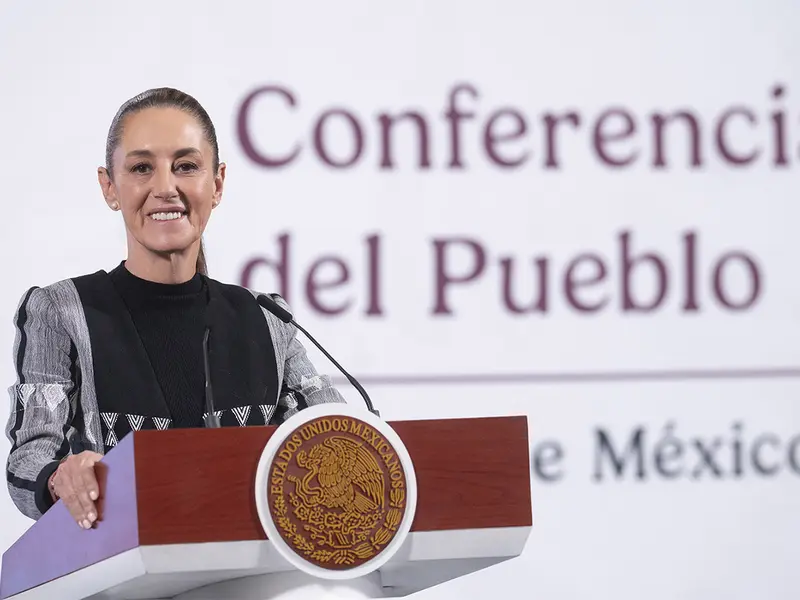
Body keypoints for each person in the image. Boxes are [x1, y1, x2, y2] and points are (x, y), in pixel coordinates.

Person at [4, 87, 346, 529]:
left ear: (217, 184)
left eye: (186, 166)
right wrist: (59, 479)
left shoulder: (265, 318)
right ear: (109, 187)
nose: (165, 187)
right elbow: (28, 462)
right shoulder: (60, 311)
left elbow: (341, 433)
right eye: (142, 168)